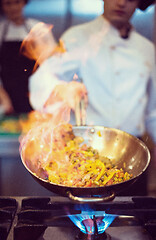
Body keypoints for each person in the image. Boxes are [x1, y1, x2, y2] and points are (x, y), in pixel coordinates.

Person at [29, 0, 156, 195]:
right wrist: (62, 89)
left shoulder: (147, 49)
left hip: (132, 160)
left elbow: (153, 113)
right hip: (86, 154)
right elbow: (42, 78)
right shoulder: (77, 37)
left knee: (134, 223)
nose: (121, 2)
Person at [0, 0, 40, 115]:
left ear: (24, 3)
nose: (13, 7)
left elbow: (48, 64)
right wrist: (2, 96)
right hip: (7, 96)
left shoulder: (37, 29)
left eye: (17, 2)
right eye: (8, 3)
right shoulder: (0, 30)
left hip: (34, 93)